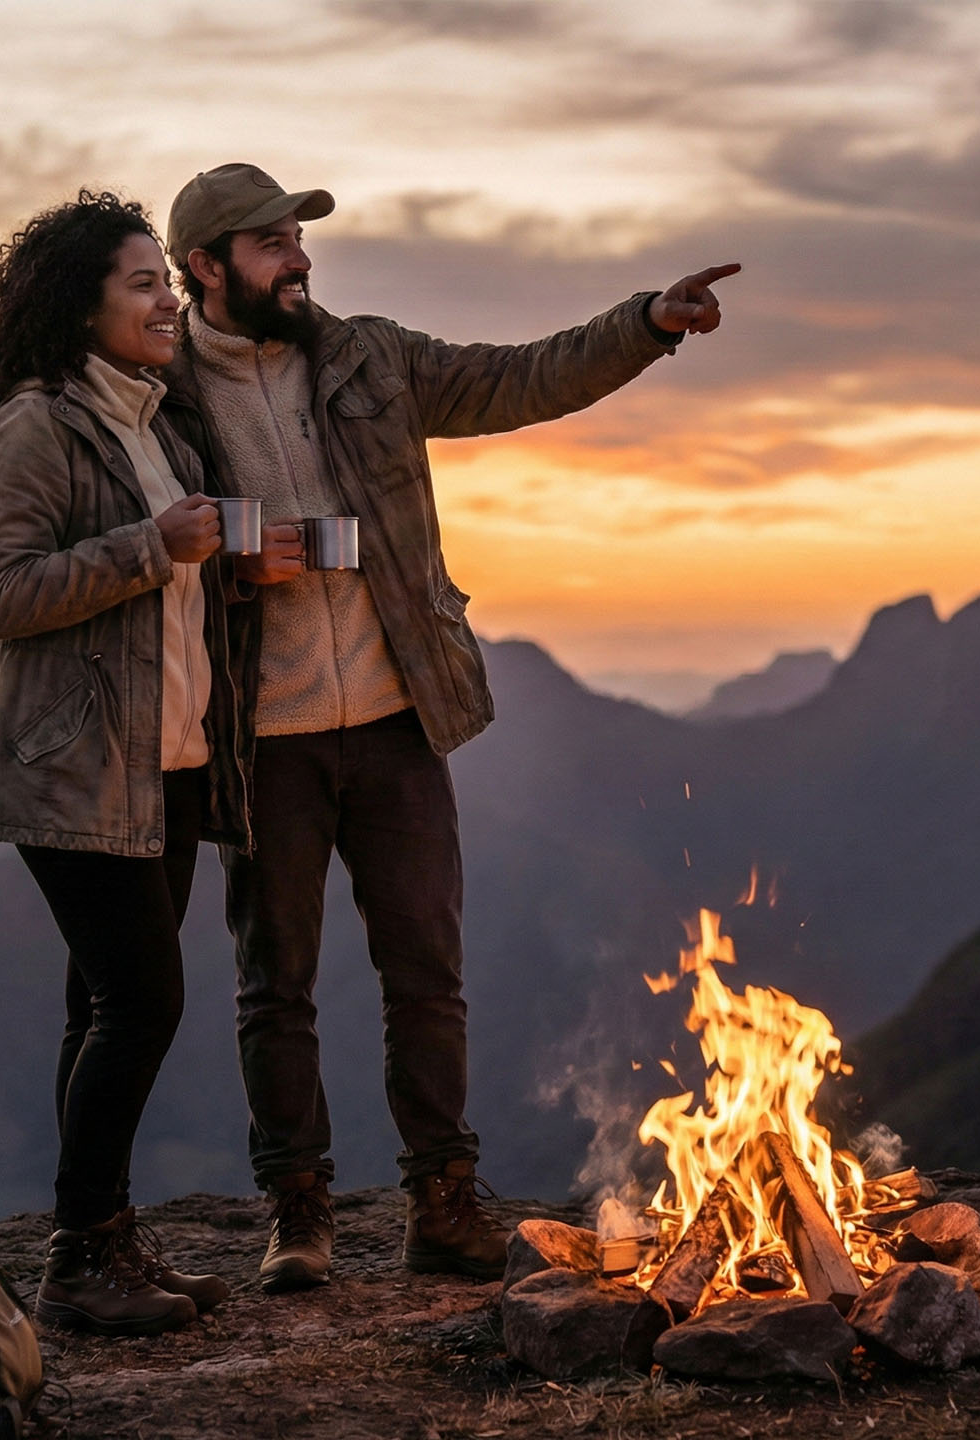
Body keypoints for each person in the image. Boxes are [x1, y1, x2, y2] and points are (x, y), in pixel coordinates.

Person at [154, 163, 736, 1290]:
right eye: (272, 243)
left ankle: (443, 1200)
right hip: (259, 733)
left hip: (396, 714)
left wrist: (646, 325)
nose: (299, 259)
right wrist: (229, 564)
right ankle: (299, 1215)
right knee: (276, 983)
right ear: (206, 267)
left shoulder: (367, 358)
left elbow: (517, 378)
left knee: (426, 971)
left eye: (298, 239)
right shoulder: (160, 396)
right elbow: (136, 534)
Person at [0, 190, 299, 1335]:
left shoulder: (160, 426)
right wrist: (155, 544)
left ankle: (101, 1241)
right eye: (141, 284)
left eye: (166, 283)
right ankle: (78, 1257)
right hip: (74, 767)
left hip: (171, 762)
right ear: (79, 304)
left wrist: (235, 566)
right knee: (144, 1002)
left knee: (100, 1005)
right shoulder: (35, 426)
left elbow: (171, 595)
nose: (165, 304)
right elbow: (3, 595)